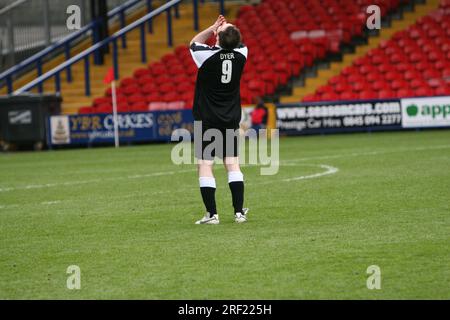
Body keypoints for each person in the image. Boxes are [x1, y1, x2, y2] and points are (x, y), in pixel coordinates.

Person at [189, 16, 248, 225]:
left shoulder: (205, 55)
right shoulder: (242, 54)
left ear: (218, 38)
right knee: (232, 164)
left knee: (205, 164)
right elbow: (234, 42)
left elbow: (193, 42)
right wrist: (223, 30)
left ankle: (212, 215)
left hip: (206, 118)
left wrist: (213, 27)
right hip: (230, 117)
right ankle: (239, 213)